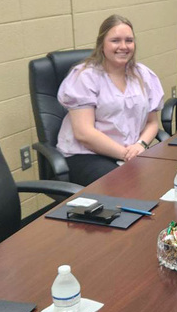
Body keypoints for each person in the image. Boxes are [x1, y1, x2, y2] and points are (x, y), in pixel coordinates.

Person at [56, 14, 164, 185]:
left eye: (129, 40)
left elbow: (152, 123)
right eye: (115, 40)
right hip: (87, 155)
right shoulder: (85, 76)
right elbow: (84, 133)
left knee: (165, 178)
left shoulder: (144, 75)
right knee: (126, 184)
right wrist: (125, 154)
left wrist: (141, 145)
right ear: (102, 44)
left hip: (132, 152)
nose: (123, 46)